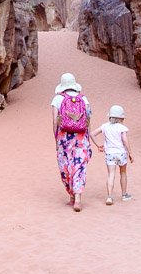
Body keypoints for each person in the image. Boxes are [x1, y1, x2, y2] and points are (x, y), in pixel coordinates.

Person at [51, 73, 92, 211]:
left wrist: (56, 140)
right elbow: (87, 121)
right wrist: (88, 138)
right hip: (81, 137)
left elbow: (55, 122)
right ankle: (78, 198)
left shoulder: (57, 99)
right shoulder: (84, 99)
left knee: (66, 165)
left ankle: (72, 197)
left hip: (64, 138)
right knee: (79, 166)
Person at [93, 105, 133, 203]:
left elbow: (92, 134)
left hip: (110, 154)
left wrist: (98, 145)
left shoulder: (105, 126)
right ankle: (124, 195)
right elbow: (124, 140)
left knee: (111, 174)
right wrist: (130, 152)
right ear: (121, 118)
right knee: (123, 173)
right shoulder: (122, 127)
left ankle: (109, 197)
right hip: (121, 153)